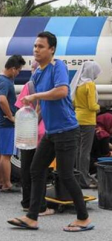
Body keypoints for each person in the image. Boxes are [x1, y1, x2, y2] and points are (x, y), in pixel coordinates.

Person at [7, 31, 94, 232]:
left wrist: (36, 95)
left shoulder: (58, 66)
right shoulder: (37, 73)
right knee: (36, 170)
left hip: (67, 130)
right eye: (35, 46)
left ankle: (83, 218)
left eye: (41, 46)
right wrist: (30, 126)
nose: (36, 50)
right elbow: (41, 105)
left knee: (65, 175)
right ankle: (32, 217)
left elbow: (62, 91)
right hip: (51, 132)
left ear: (52, 49)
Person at [14, 61, 54, 216]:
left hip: (28, 132)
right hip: (44, 132)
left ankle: (26, 202)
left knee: (26, 168)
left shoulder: (28, 86)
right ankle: (41, 205)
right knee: (40, 170)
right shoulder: (50, 87)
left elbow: (20, 107)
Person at [0, 55, 26, 192]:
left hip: (1, 122)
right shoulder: (5, 82)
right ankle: (7, 183)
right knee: (7, 155)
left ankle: (0, 180)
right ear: (13, 69)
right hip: (7, 123)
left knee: (0, 153)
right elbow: (2, 99)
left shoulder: (0, 79)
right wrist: (10, 116)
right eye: (18, 70)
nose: (18, 73)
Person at [70, 61, 101, 189]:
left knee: (77, 150)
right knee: (85, 151)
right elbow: (92, 105)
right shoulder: (90, 85)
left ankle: (78, 176)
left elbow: (74, 102)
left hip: (77, 119)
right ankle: (84, 180)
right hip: (88, 121)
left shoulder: (78, 84)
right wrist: (100, 107)